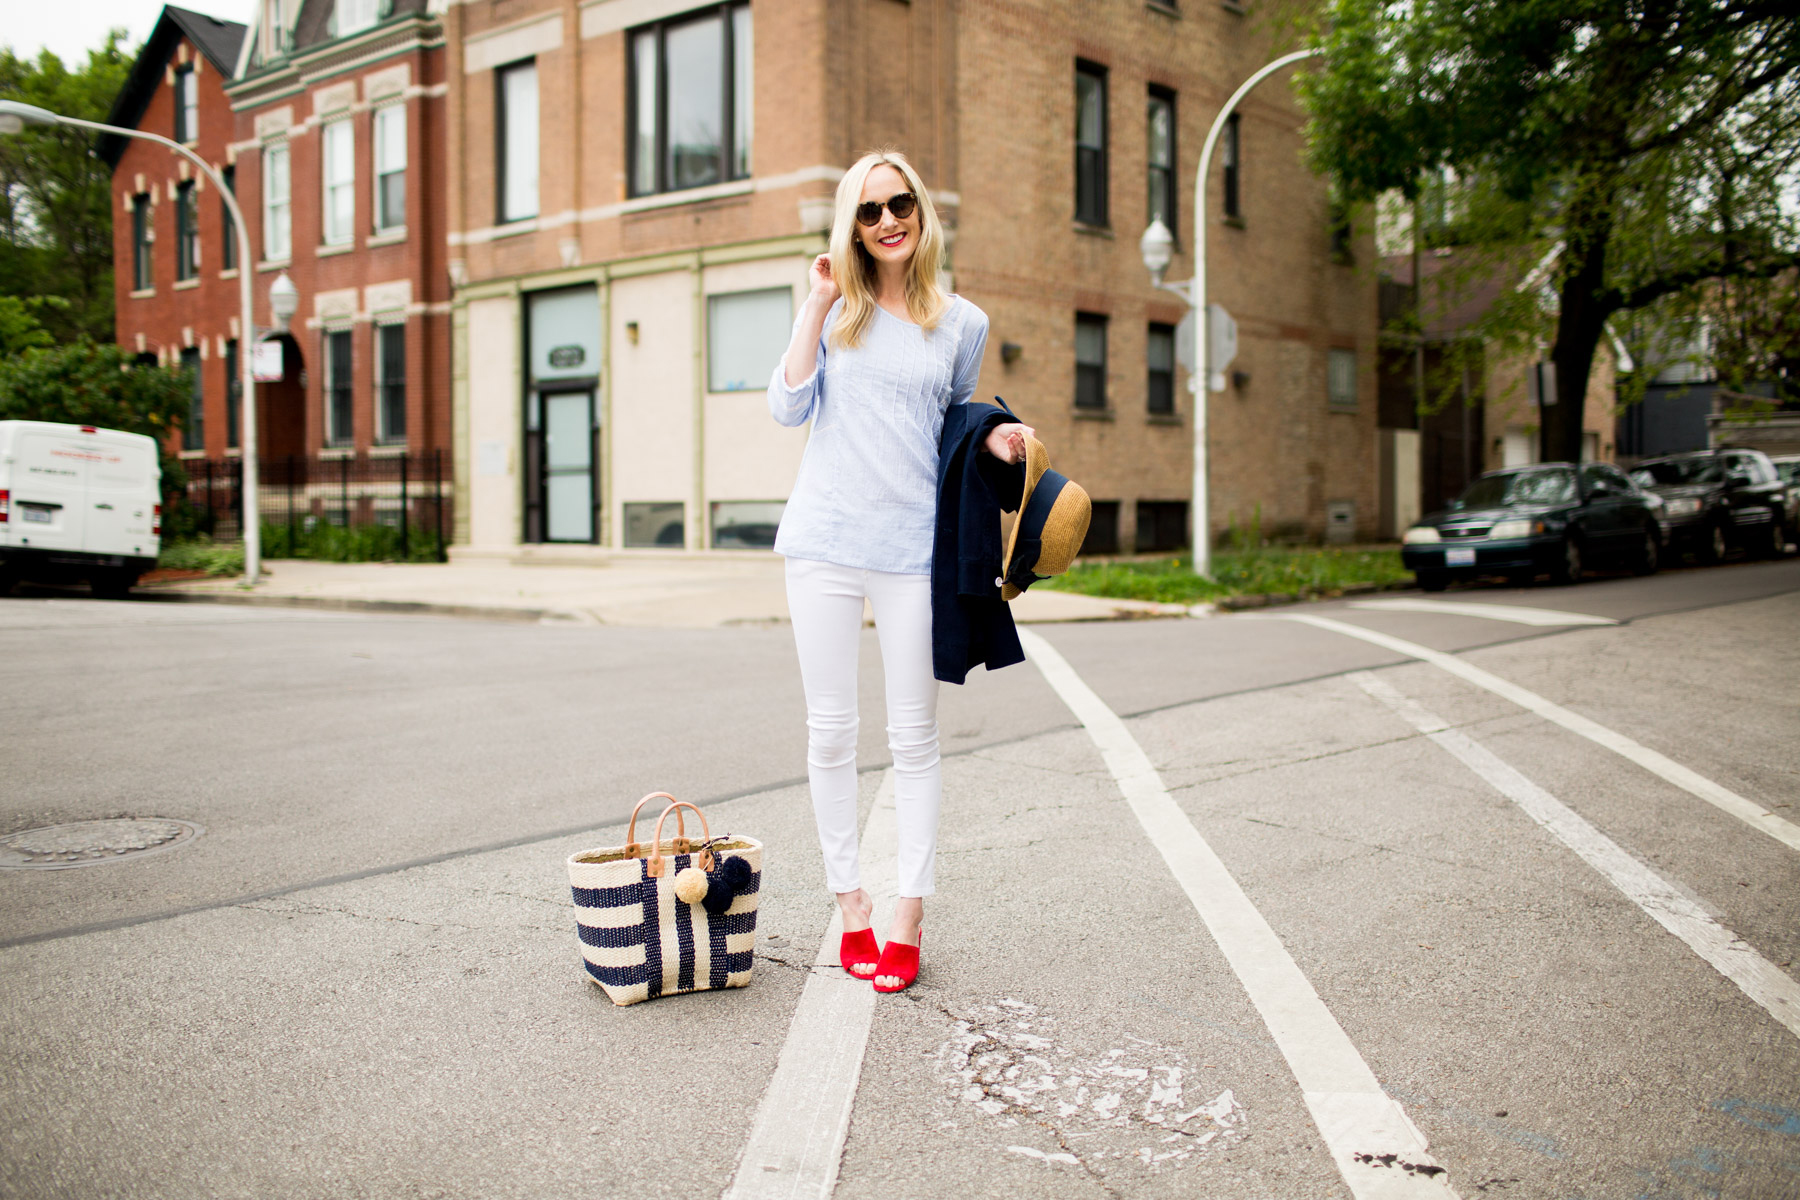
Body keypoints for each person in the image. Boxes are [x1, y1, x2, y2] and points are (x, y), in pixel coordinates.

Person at [768, 150, 1032, 993]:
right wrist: (815, 302)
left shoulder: (962, 322)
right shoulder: (834, 304)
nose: (888, 220)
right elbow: (787, 406)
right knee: (831, 732)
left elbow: (951, 422)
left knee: (914, 740)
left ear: (920, 212)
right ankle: (851, 906)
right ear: (852, 223)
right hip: (822, 544)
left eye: (900, 203)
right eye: (870, 209)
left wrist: (991, 435)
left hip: (913, 550)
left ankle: (906, 911)